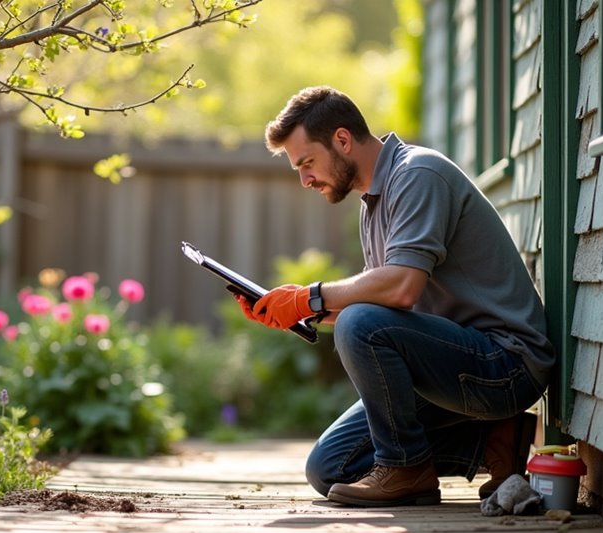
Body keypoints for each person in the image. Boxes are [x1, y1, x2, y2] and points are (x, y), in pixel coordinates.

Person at [235, 86, 555, 507]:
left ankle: (405, 468)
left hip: (506, 363)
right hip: (450, 363)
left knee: (357, 323)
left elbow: (400, 289)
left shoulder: (418, 174)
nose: (305, 179)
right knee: (330, 467)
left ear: (343, 140)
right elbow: (382, 305)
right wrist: (293, 312)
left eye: (307, 163)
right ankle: (496, 439)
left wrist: (310, 297)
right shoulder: (374, 203)